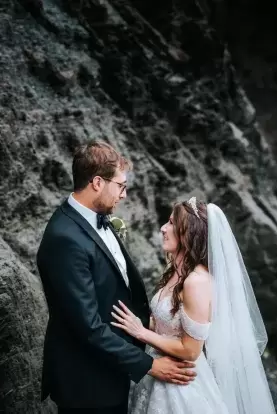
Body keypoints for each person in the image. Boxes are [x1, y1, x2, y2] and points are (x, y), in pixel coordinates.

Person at [36, 140, 196, 414]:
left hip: (112, 371)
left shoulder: (94, 217)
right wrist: (149, 365)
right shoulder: (65, 239)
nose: (124, 195)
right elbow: (86, 326)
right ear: (97, 183)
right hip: (88, 384)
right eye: (121, 186)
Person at [112, 198, 276, 414]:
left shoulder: (196, 282)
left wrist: (141, 333)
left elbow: (190, 350)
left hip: (181, 383)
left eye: (171, 223)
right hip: (159, 374)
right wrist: (143, 323)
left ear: (188, 233)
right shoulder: (176, 272)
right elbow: (170, 325)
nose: (163, 228)